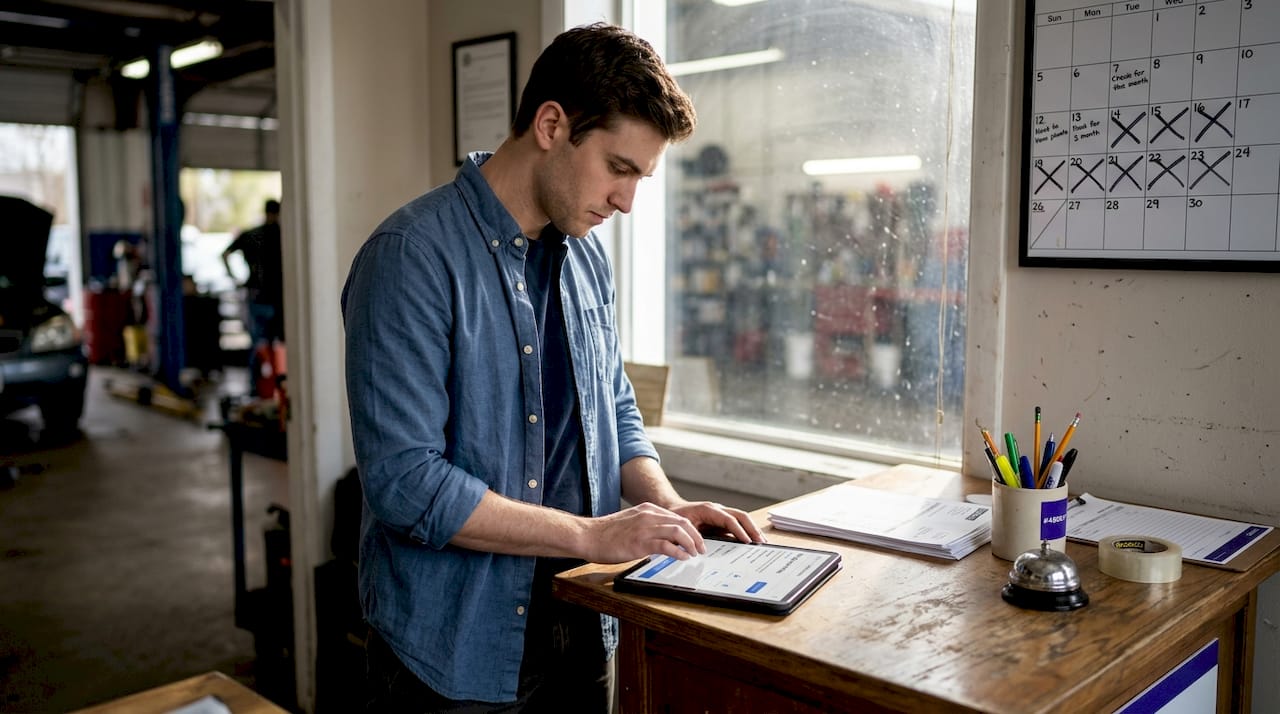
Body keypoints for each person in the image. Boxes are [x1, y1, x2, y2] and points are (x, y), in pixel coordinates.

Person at [342, 22, 764, 713]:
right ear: (550, 125)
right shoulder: (410, 257)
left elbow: (615, 406)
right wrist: (594, 534)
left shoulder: (586, 255)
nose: (627, 201)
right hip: (454, 652)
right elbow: (406, 483)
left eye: (640, 178)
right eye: (619, 168)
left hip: (579, 624)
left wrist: (664, 501)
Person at [222, 199, 284, 384]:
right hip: (278, 300)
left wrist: (236, 279)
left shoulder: (251, 235)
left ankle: (255, 388)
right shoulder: (283, 235)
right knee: (279, 347)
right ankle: (276, 386)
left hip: (255, 297)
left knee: (257, 345)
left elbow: (225, 255)